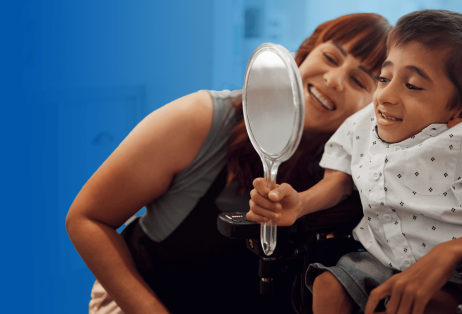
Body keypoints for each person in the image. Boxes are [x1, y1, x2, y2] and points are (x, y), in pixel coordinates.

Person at [245, 10, 462, 314]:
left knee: (420, 305)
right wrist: (300, 203)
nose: (385, 96)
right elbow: (339, 181)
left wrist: (451, 252)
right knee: (328, 285)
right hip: (380, 257)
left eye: (412, 85)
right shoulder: (363, 124)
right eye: (384, 78)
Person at [65, 13, 391, 313]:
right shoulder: (200, 118)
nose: (333, 80)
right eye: (330, 58)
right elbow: (87, 218)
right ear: (303, 55)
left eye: (358, 81)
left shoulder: (361, 174)